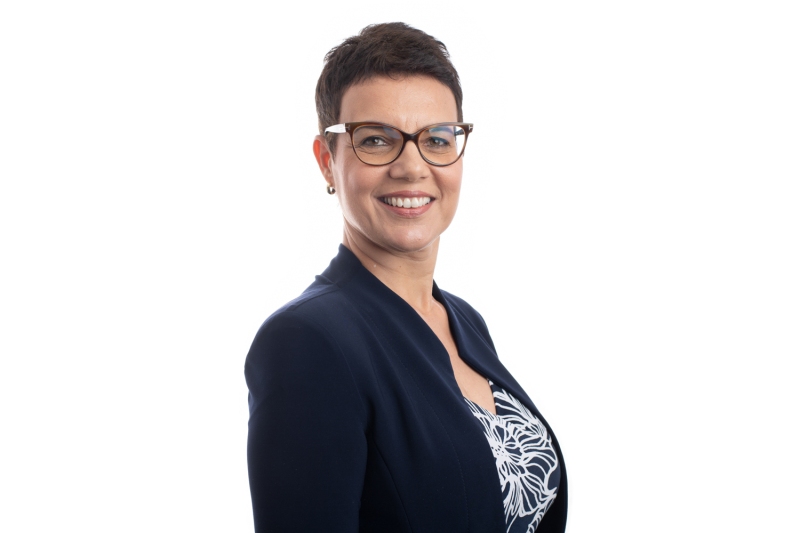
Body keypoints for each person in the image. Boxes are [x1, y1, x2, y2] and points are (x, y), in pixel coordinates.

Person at [245, 22, 567, 533]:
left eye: (437, 139)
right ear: (327, 162)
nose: (412, 167)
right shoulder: (306, 342)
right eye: (376, 140)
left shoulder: (464, 320)